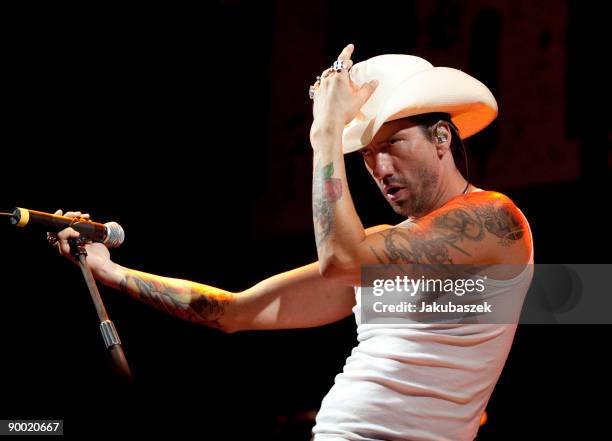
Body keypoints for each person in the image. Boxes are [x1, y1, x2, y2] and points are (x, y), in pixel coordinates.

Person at [53, 44, 533, 441]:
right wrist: (106, 269)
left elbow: (341, 259)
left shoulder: (492, 218)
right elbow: (234, 311)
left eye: (391, 145)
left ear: (442, 138)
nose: (379, 169)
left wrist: (325, 131)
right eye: (366, 154)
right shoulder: (386, 246)